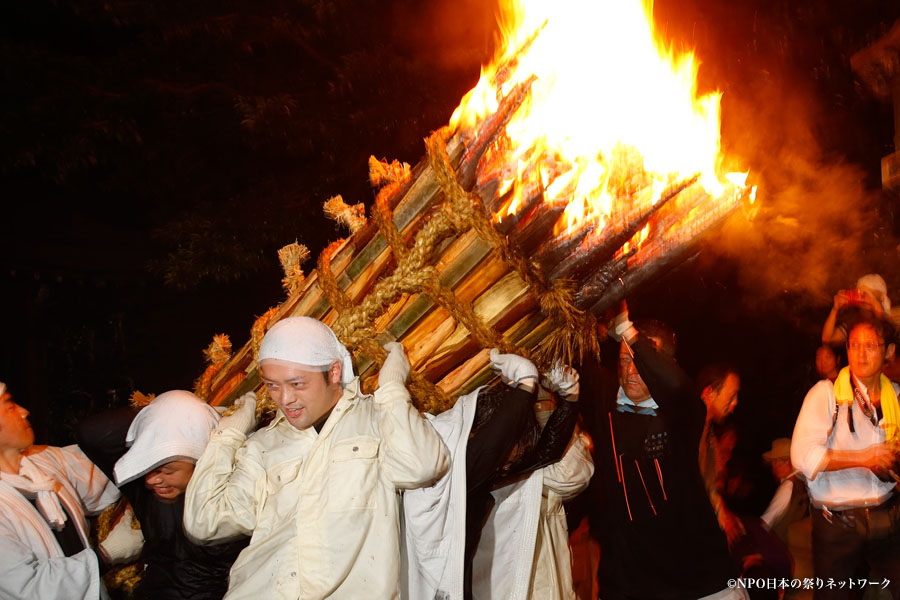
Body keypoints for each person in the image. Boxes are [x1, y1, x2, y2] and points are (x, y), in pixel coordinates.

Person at [184, 316, 449, 599]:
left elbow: (422, 467)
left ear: (334, 372)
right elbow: (204, 523)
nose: (285, 399)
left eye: (297, 384)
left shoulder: (376, 419)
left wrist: (393, 389)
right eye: (272, 386)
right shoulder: (264, 444)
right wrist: (228, 436)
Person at [577, 303, 743, 600]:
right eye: (625, 360)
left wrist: (628, 332)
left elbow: (677, 387)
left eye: (641, 361)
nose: (631, 370)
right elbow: (578, 353)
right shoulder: (606, 402)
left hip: (700, 582)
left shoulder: (684, 413)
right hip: (632, 584)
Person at [400, 351, 590, 600]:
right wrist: (525, 385)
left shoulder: (491, 468)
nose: (505, 466)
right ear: (474, 431)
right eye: (505, 455)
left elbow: (544, 455)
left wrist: (569, 398)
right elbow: (490, 448)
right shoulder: (446, 465)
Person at [76, 389, 248, 600]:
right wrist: (160, 416)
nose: (151, 480)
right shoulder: (149, 496)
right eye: (147, 467)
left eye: (167, 471)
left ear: (200, 458)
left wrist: (208, 427)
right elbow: (92, 433)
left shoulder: (236, 490)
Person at [792, 315, 900, 599]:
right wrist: (863, 458)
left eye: (871, 345)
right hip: (837, 529)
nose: (861, 353)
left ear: (889, 351)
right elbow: (802, 457)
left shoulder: (897, 396)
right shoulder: (825, 394)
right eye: (854, 345)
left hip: (888, 520)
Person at [0, 380, 121, 599]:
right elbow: (29, 589)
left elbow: (107, 475)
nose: (24, 412)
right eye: (9, 405)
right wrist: (105, 555)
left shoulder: (44, 459)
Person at [697, 363, 743, 548]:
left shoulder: (709, 436)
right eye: (731, 396)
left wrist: (722, 511)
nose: (735, 402)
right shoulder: (687, 432)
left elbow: (707, 484)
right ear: (709, 393)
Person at [822, 274, 891, 346]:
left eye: (865, 294)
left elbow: (883, 335)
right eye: (859, 293)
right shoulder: (855, 321)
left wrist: (874, 302)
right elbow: (827, 339)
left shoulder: (888, 321)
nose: (861, 298)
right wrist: (835, 309)